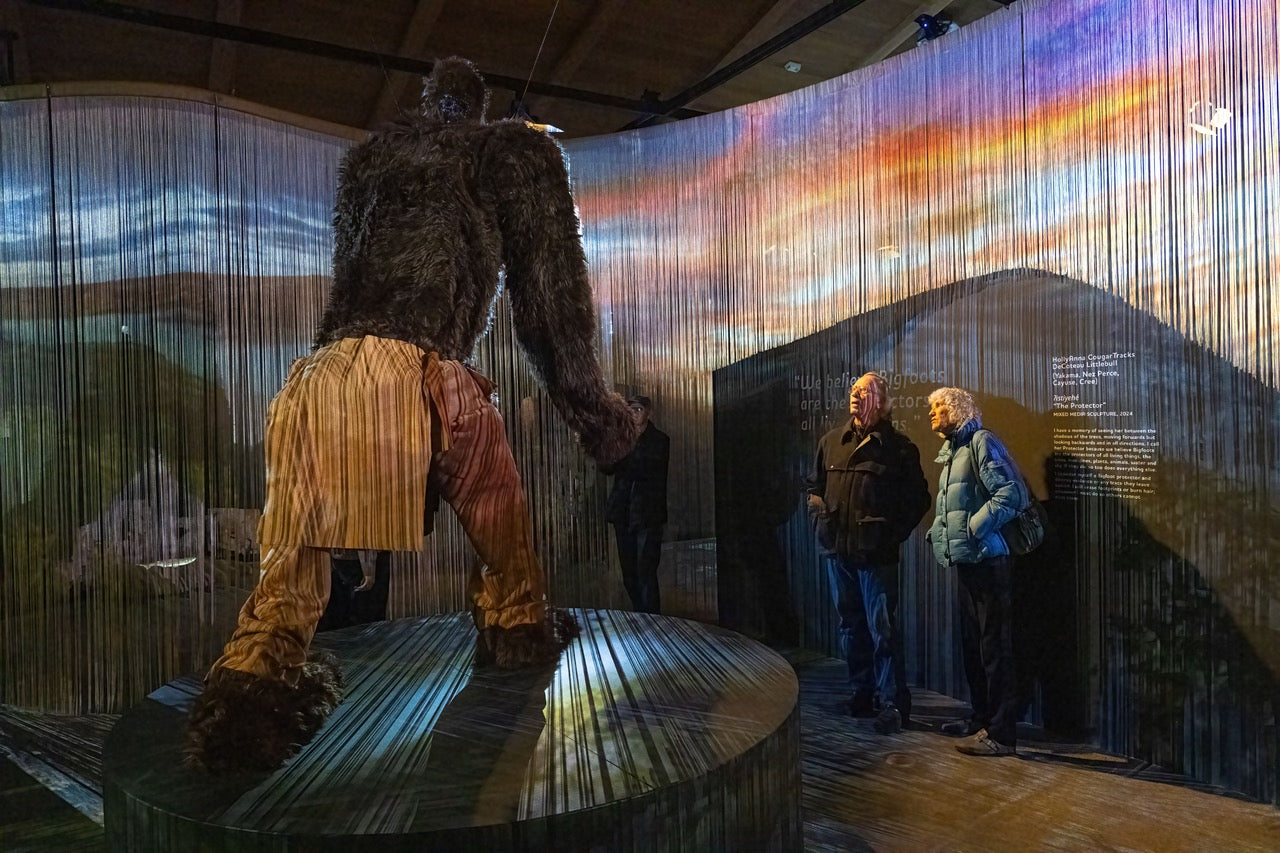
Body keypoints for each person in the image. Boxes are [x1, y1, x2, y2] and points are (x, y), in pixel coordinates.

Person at [184, 57, 637, 772]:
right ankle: (517, 632)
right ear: (480, 106)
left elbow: (346, 293)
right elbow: (551, 303)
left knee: (283, 589)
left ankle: (244, 706)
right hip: (424, 373)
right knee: (504, 531)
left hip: (315, 381)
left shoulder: (368, 160)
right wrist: (599, 417)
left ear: (427, 104)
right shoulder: (510, 151)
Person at [807, 373, 931, 735]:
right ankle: (861, 693)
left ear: (881, 399)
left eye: (864, 391)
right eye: (853, 391)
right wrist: (819, 519)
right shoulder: (832, 442)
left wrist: (888, 535)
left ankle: (893, 703)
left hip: (875, 557)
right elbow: (814, 486)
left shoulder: (899, 448)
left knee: (883, 631)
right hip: (838, 553)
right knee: (850, 627)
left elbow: (918, 499)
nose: (855, 396)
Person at [926, 387, 1028, 756]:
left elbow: (1011, 495)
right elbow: (953, 502)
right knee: (974, 647)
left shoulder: (982, 442)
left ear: (957, 410)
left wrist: (973, 527)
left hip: (989, 562)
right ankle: (982, 719)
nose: (932, 414)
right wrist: (941, 532)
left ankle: (1001, 736)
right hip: (968, 562)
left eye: (938, 407)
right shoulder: (954, 450)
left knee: (994, 649)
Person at [602, 395, 670, 614]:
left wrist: (621, 447)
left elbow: (643, 466)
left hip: (647, 515)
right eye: (630, 410)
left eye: (638, 409)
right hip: (623, 513)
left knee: (646, 571)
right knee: (629, 573)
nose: (634, 414)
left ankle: (652, 619)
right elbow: (607, 467)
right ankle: (640, 615)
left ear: (648, 412)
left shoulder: (659, 440)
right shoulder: (621, 439)